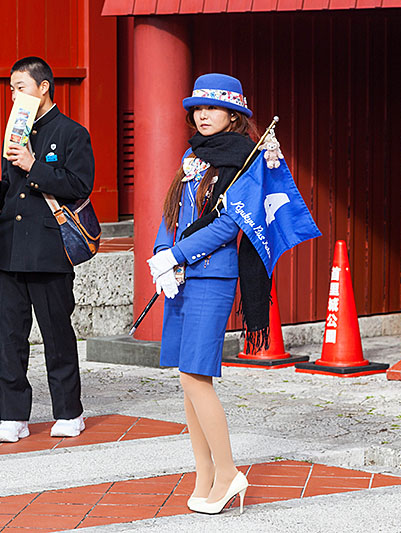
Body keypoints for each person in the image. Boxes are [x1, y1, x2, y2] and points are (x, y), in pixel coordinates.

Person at [148, 73, 258, 515]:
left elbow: (231, 225)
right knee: (186, 377)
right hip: (181, 275)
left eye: (211, 108)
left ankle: (229, 472)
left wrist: (176, 254)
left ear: (234, 114)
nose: (202, 115)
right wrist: (161, 254)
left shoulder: (245, 161)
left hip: (213, 278)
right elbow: (172, 211)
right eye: (196, 108)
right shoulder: (193, 155)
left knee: (197, 375)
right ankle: (205, 474)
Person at [0, 57, 94, 443]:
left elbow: (79, 185)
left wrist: (33, 164)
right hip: (10, 246)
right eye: (11, 88)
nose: (13, 94)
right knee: (7, 336)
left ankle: (69, 412)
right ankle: (12, 416)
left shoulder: (73, 133)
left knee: (56, 332)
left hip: (49, 249)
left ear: (43, 88)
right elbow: (14, 194)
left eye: (20, 86)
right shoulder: (15, 130)